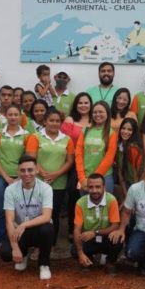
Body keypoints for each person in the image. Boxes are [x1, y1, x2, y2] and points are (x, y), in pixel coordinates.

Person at [0, 155, 55, 281]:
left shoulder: (46, 188)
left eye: (30, 170)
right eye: (22, 170)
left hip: (37, 228)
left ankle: (44, 264)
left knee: (47, 229)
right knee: (6, 254)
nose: (26, 174)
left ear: (36, 170)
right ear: (18, 171)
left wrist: (24, 225)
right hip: (18, 231)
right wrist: (15, 249)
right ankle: (23, 254)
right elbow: (9, 220)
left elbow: (46, 216)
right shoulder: (10, 190)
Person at [26, 107, 75, 245]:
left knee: (54, 213)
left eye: (57, 121)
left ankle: (50, 244)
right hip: (38, 182)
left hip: (59, 183)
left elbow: (70, 161)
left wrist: (56, 174)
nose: (54, 123)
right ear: (45, 121)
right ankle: (36, 244)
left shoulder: (67, 139)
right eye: (51, 120)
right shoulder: (35, 137)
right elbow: (31, 158)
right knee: (37, 213)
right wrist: (42, 173)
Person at [0, 104, 31, 245]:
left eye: (16, 114)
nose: (13, 117)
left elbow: (27, 158)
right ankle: (2, 240)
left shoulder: (26, 135)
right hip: (0, 177)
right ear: (5, 116)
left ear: (20, 116)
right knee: (1, 208)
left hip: (21, 177)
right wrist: (6, 177)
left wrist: (19, 177)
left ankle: (20, 240)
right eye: (10, 114)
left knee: (20, 209)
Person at [72, 174, 124, 274]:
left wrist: (95, 232)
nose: (94, 190)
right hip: (87, 238)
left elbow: (115, 225)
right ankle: (87, 260)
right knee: (74, 249)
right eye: (91, 187)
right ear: (87, 188)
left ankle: (110, 262)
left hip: (105, 237)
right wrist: (80, 253)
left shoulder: (111, 200)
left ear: (104, 187)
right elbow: (77, 229)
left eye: (98, 187)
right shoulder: (80, 203)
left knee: (118, 239)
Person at [61, 92, 92, 237]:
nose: (83, 105)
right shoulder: (70, 120)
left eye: (86, 103)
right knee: (74, 194)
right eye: (80, 103)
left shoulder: (96, 120)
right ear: (75, 105)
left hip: (92, 162)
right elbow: (64, 142)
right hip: (74, 163)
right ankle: (73, 229)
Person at [76, 101, 118, 193]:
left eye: (101, 112)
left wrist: (94, 179)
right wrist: (82, 178)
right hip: (84, 179)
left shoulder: (111, 133)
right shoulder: (85, 130)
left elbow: (109, 159)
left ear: (107, 113)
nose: (97, 114)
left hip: (104, 178)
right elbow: (78, 154)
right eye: (95, 112)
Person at [116, 117, 145, 201]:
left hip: (137, 185)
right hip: (125, 184)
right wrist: (125, 193)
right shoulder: (118, 146)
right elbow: (120, 173)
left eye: (129, 130)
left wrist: (134, 193)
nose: (125, 132)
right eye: (123, 128)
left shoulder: (134, 149)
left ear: (134, 132)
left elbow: (138, 173)